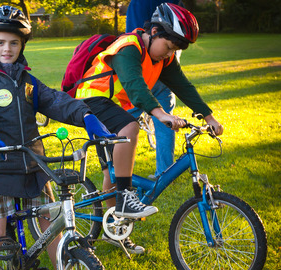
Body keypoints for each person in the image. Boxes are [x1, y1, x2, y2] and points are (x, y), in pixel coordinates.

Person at [0, 6, 113, 270]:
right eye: (0, 42)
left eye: (14, 43)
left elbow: (55, 100)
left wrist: (86, 115)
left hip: (31, 162)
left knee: (51, 225)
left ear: (22, 46)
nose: (7, 49)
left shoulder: (27, 81)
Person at [74, 3, 224, 254]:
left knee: (113, 170)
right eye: (168, 47)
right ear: (154, 31)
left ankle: (115, 230)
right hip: (91, 100)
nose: (169, 54)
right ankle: (124, 200)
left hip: (113, 104)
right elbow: (135, 87)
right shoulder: (128, 47)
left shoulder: (162, 59)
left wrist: (209, 117)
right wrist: (161, 114)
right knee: (130, 127)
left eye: (174, 50)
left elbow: (184, 86)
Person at [126, 0, 184, 180]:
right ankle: (166, 172)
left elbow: (133, 35)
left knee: (126, 120)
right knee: (165, 118)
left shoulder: (138, 3)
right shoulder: (176, 3)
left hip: (143, 64)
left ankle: (117, 170)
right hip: (166, 64)